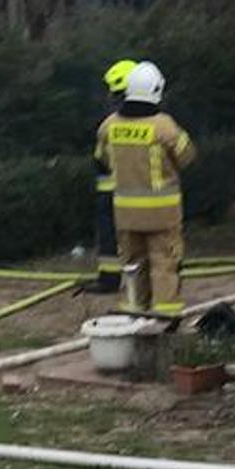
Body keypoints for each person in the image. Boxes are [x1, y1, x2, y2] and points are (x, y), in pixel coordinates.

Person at [94, 61, 196, 317]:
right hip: (163, 214)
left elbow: (102, 158)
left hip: (125, 214)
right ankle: (165, 316)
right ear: (156, 90)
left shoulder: (108, 126)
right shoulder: (165, 126)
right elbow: (187, 156)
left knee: (132, 264)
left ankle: (134, 310)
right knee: (164, 263)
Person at [85, 59, 139, 294]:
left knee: (109, 233)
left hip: (111, 189)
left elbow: (100, 156)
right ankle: (145, 278)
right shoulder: (155, 118)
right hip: (145, 189)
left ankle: (109, 279)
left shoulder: (110, 121)